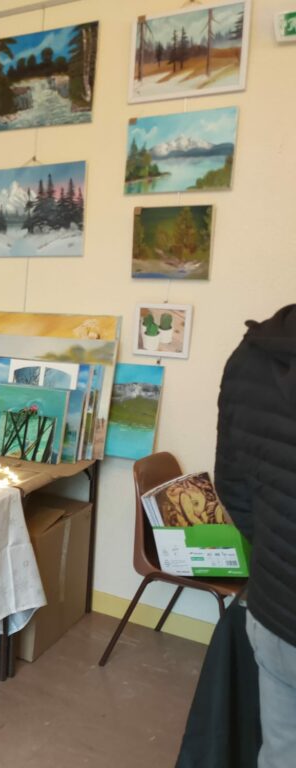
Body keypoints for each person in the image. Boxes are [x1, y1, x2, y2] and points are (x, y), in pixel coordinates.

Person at [215, 304, 296, 768]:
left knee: (281, 752)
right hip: (273, 608)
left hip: (274, 605)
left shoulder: (251, 356)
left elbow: (234, 488)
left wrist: (273, 549)